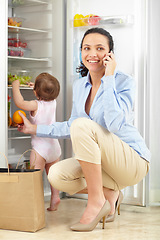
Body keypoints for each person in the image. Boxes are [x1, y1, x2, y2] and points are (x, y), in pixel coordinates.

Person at [17, 28, 151, 232]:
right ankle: (109, 193)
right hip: (105, 168)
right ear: (80, 52)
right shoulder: (80, 86)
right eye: (87, 48)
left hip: (131, 161)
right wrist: (34, 128)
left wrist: (109, 77)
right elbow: (72, 125)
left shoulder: (124, 82)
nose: (92, 54)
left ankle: (97, 201)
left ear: (110, 54)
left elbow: (114, 124)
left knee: (82, 125)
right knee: (56, 174)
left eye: (100, 48)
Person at [12, 72, 61, 211]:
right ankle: (55, 198)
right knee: (53, 176)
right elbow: (47, 93)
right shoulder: (53, 102)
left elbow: (19, 102)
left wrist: (16, 87)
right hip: (54, 147)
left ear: (36, 93)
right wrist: (38, 88)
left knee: (35, 178)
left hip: (40, 149)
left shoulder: (35, 105)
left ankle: (36, 203)